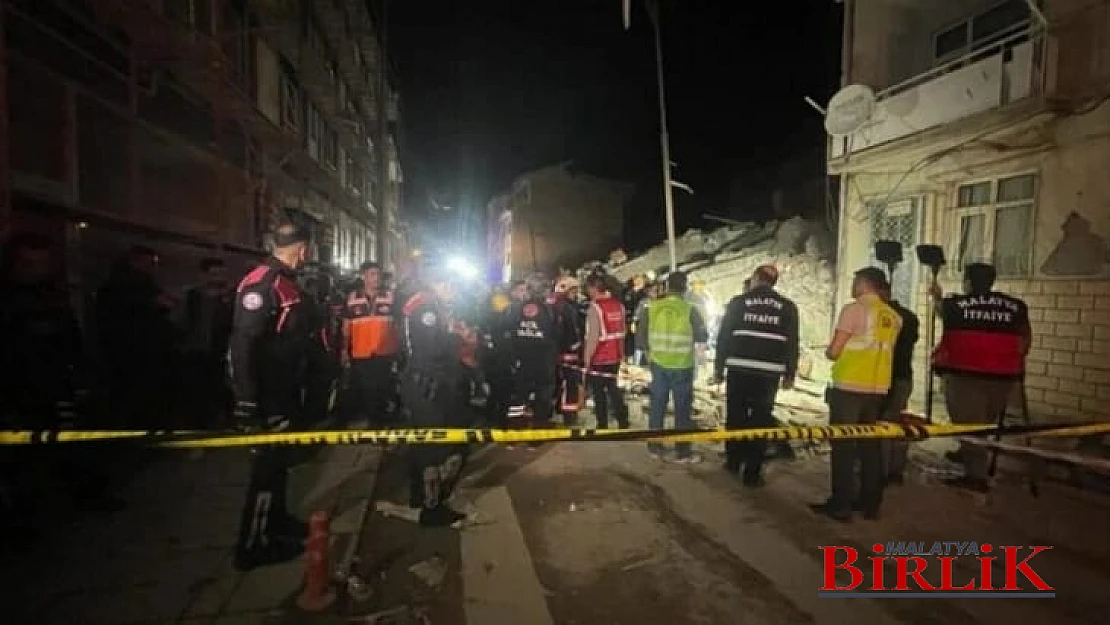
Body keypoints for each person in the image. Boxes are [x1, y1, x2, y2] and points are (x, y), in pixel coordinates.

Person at [228, 222, 315, 570]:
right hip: (266, 397)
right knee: (265, 471)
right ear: (304, 249)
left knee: (279, 465)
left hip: (283, 391)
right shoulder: (263, 283)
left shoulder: (285, 282)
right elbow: (242, 346)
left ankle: (277, 522)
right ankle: (253, 544)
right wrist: (246, 401)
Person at [930, 262, 1030, 493]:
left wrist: (937, 296)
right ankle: (969, 454)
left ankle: (976, 476)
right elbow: (1025, 340)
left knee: (968, 424)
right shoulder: (1016, 306)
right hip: (1004, 376)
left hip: (965, 375)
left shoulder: (954, 305)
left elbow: (940, 312)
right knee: (985, 420)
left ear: (968, 282)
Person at [813, 267, 902, 522]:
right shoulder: (893, 317)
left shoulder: (854, 310)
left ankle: (841, 504)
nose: (853, 286)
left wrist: (829, 352)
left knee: (843, 447)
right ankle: (870, 504)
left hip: (849, 388)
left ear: (864, 284)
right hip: (877, 390)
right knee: (870, 448)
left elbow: (834, 351)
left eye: (855, 281)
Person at [712, 264, 799, 486]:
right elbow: (792, 343)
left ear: (756, 279)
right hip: (768, 373)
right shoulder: (788, 307)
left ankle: (733, 462)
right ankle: (752, 473)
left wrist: (718, 369)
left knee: (736, 416)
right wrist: (790, 373)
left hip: (739, 369)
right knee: (761, 419)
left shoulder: (738, 303)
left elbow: (724, 338)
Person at [399, 262, 471, 527]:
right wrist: (458, 338)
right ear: (442, 283)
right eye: (453, 286)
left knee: (422, 443)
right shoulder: (426, 307)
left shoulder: (428, 303)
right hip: (426, 384)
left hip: (424, 381)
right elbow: (431, 348)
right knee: (434, 446)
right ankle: (432, 508)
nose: (454, 292)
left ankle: (420, 498)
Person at [96, 245, 177, 428]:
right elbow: (165, 305)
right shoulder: (132, 287)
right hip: (135, 357)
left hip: (131, 357)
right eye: (148, 262)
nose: (151, 267)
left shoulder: (120, 286)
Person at [638, 271, 708, 463]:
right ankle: (682, 452)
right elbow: (702, 337)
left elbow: (641, 337)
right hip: (682, 366)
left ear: (667, 287)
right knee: (682, 409)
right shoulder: (690, 310)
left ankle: (654, 447)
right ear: (685, 288)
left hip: (659, 365)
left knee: (657, 405)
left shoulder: (650, 308)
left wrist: (649, 355)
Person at [342, 261, 401, 425]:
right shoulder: (352, 298)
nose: (376, 278)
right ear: (363, 277)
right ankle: (373, 419)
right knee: (367, 388)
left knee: (382, 386)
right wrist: (344, 349)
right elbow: (346, 326)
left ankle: (378, 420)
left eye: (378, 275)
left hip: (385, 351)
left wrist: (400, 347)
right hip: (361, 352)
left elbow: (398, 324)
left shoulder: (390, 297)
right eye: (372, 275)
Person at [180, 257, 234, 428]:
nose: (218, 277)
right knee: (197, 394)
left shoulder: (231, 297)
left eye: (221, 273)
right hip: (196, 353)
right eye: (213, 273)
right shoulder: (191, 296)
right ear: (203, 275)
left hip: (221, 353)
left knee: (221, 391)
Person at [506, 274, 560, 430]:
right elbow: (556, 334)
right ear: (544, 291)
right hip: (543, 362)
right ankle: (536, 435)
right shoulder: (550, 311)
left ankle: (514, 433)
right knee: (542, 398)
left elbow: (507, 332)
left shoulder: (515, 309)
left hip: (521, 360)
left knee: (518, 396)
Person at [879, 280, 919, 485]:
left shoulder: (880, 317)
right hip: (904, 377)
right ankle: (896, 471)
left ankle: (881, 472)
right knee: (897, 422)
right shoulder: (910, 317)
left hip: (884, 378)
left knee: (883, 426)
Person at [582, 274, 630, 429]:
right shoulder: (619, 306)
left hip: (599, 357)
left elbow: (592, 337)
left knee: (598, 392)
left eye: (588, 288)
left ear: (594, 288)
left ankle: (602, 424)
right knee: (613, 388)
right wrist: (621, 355)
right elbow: (623, 332)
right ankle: (623, 420)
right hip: (614, 356)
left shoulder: (595, 308)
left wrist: (586, 359)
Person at [550, 276, 585, 425]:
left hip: (554, 353)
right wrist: (578, 348)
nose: (575, 294)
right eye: (573, 290)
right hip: (569, 354)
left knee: (557, 383)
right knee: (571, 384)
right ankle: (570, 416)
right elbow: (573, 332)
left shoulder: (551, 305)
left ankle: (555, 409)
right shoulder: (569, 309)